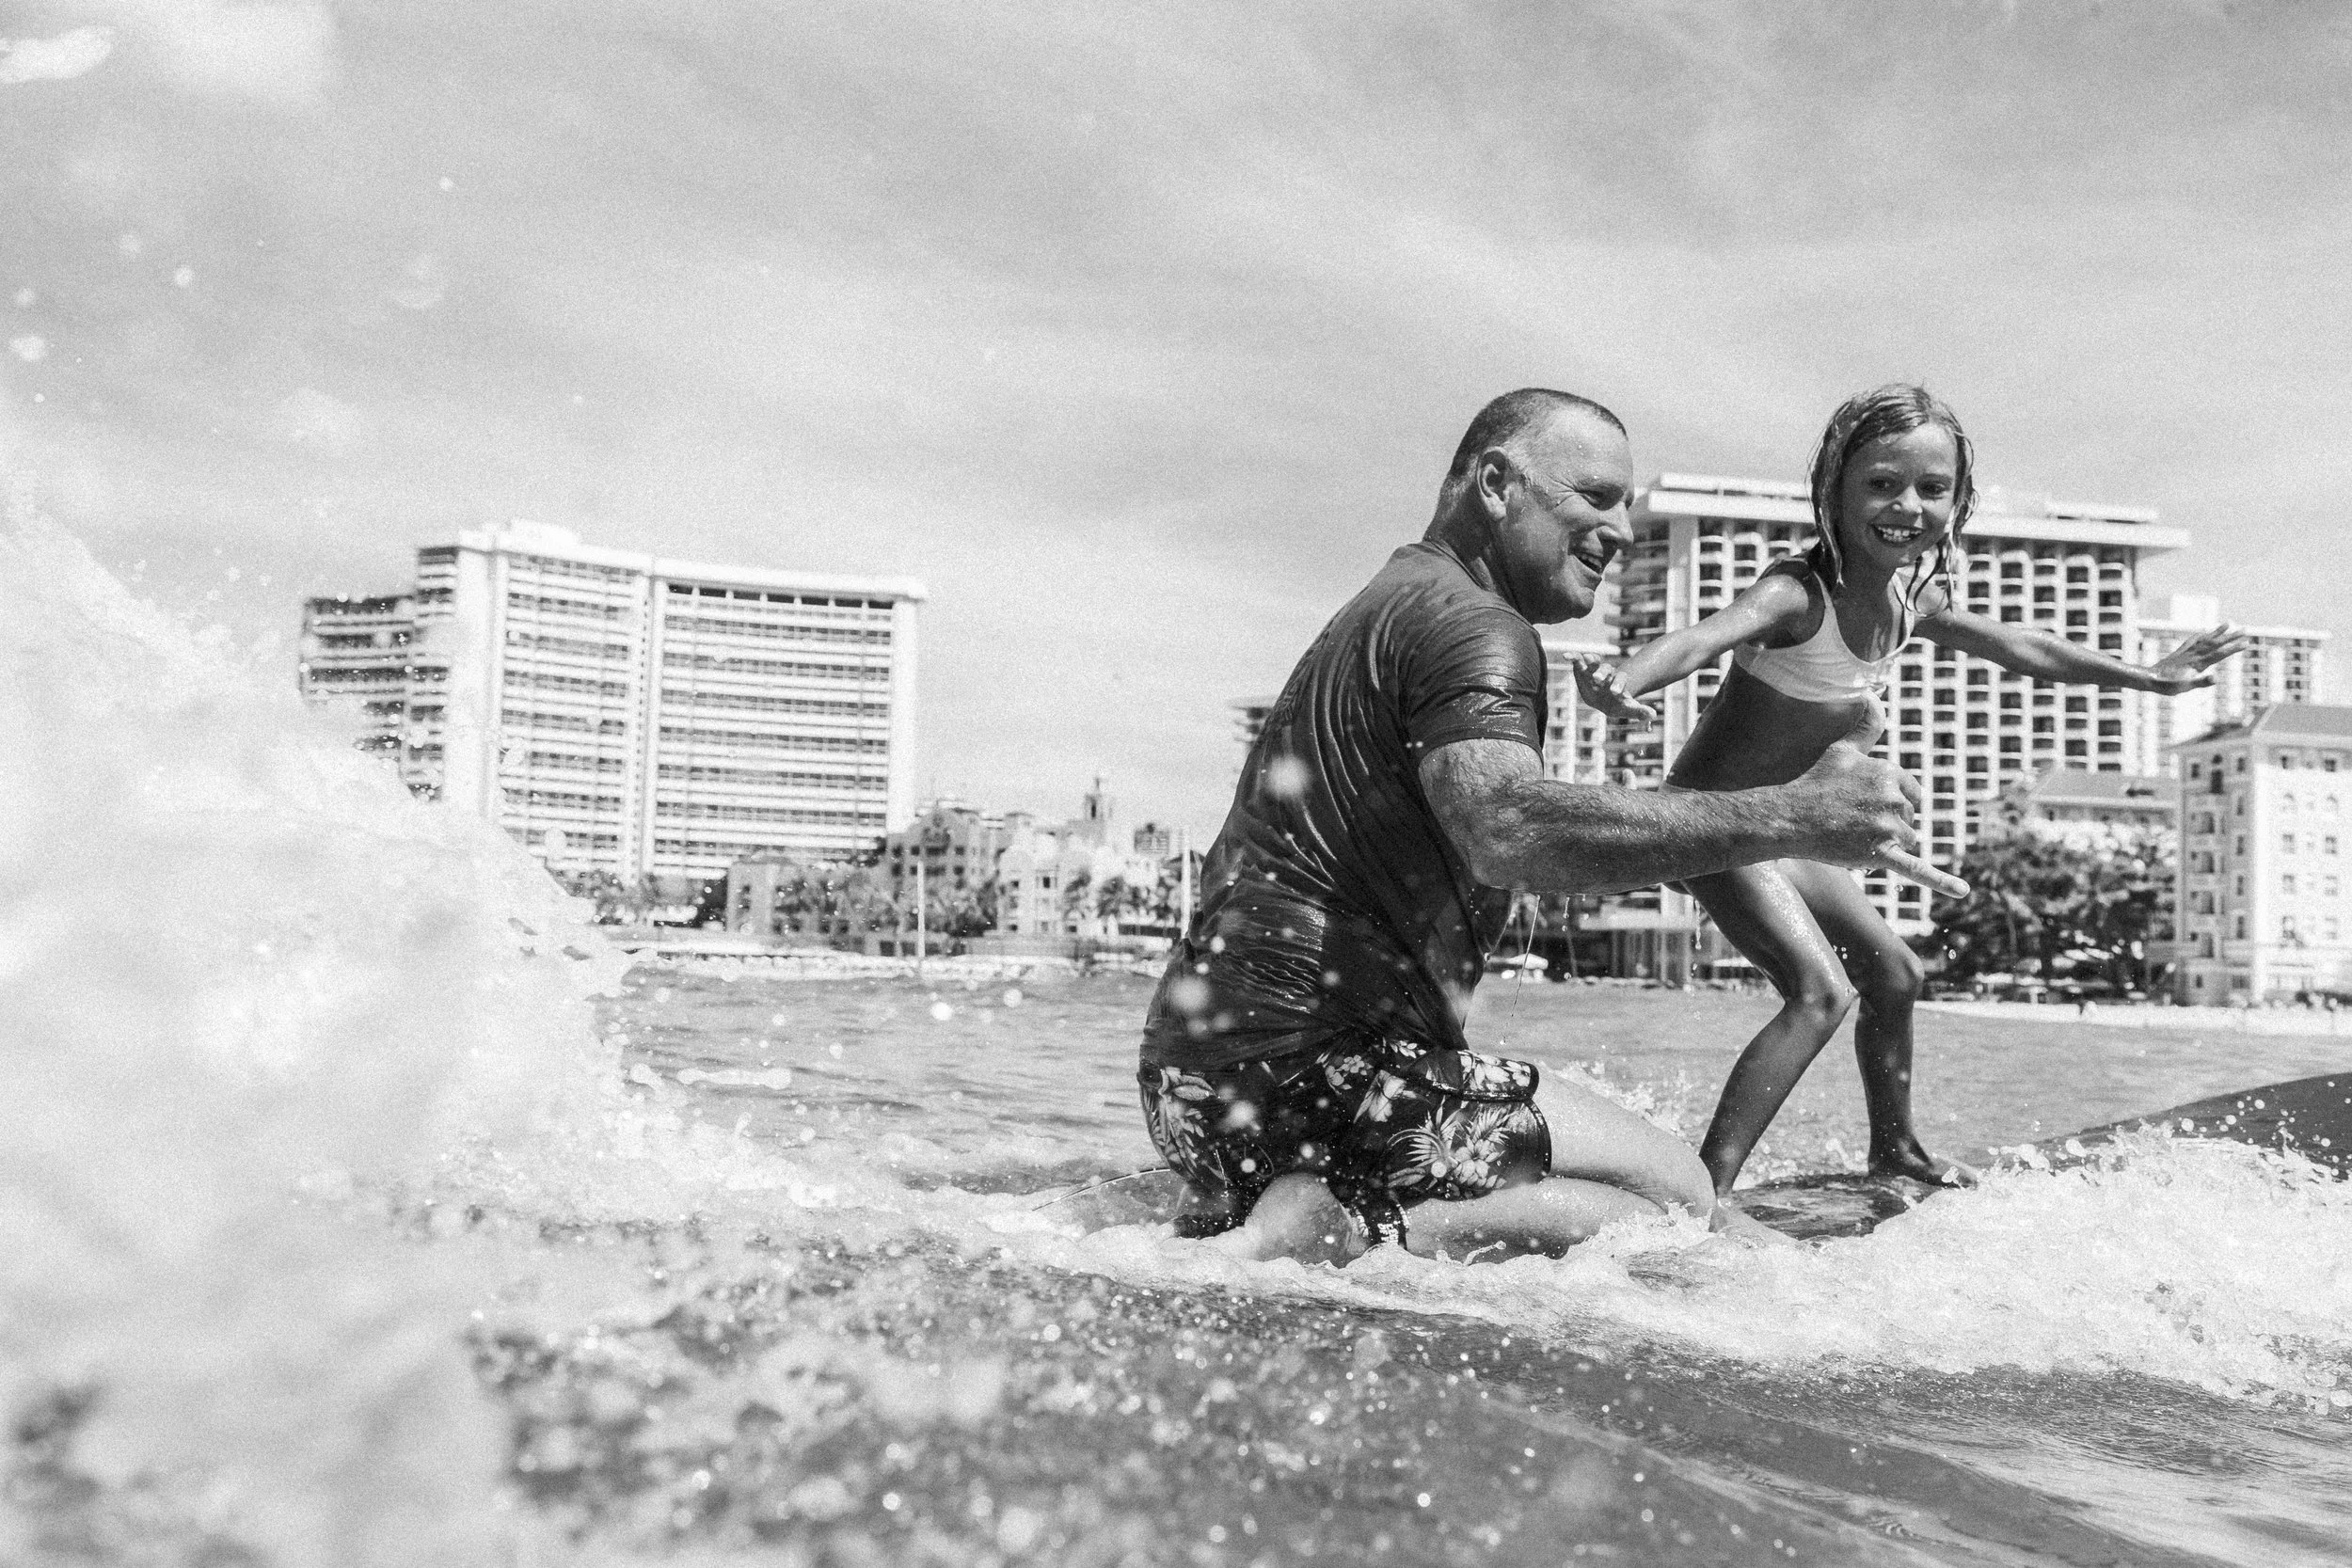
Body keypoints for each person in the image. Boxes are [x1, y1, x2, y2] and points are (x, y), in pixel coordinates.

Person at [1136, 388, 1947, 1263]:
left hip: (1197, 1092)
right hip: (1319, 1080)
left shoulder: (1393, 602)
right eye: (1596, 497)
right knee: (1677, 1197)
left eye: (1629, 507)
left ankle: (1288, 1199)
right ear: (1495, 484)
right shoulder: (1478, 627)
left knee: (1606, 1173)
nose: (1624, 530)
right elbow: (1507, 827)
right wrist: (1790, 816)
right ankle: (1351, 1227)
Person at [1573, 384, 2249, 1196]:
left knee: (1896, 972)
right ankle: (1700, 1192)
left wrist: (2150, 675)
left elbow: (2021, 646)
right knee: (1820, 993)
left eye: (1933, 489)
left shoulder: (1911, 599)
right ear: (1835, 490)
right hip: (1713, 824)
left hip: (1786, 834)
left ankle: (1895, 1151)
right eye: (1883, 483)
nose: (1907, 506)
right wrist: (1624, 678)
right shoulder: (1799, 592)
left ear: (1958, 501)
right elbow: (1701, 636)